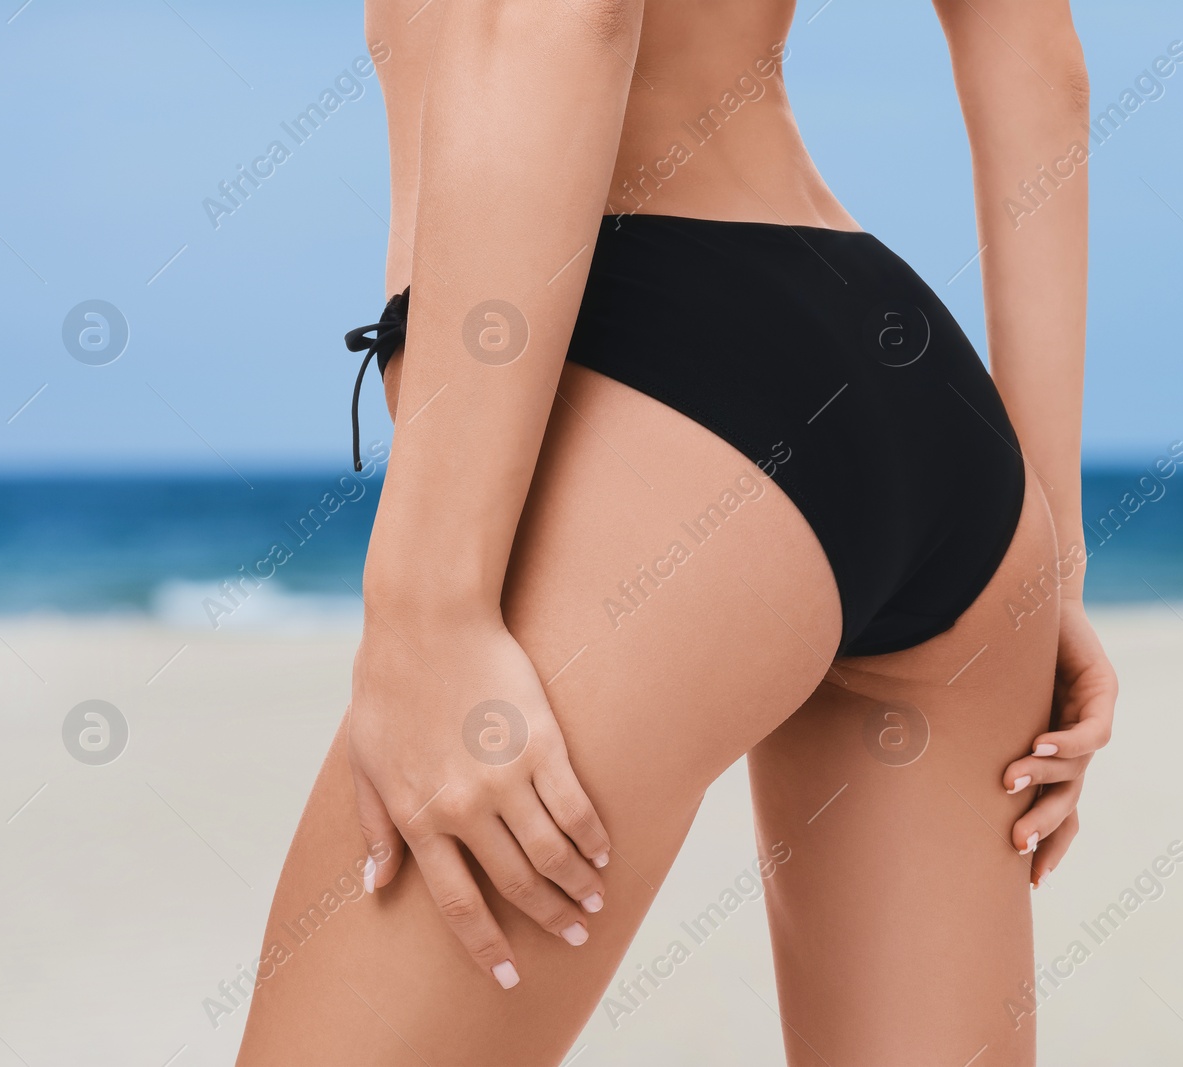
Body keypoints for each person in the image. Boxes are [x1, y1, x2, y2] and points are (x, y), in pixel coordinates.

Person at [238, 1, 1114, 1063]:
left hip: (652, 376)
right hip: (916, 395)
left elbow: (557, 18)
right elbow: (1030, 49)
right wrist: (1051, 565)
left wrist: (429, 603)